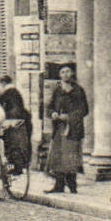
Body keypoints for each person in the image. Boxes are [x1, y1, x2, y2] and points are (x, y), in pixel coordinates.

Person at [44, 65, 88, 194]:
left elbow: (84, 110)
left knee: (70, 157)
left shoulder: (78, 90)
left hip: (73, 128)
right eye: (62, 72)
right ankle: (59, 185)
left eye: (68, 71)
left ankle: (72, 185)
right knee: (58, 156)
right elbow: (50, 107)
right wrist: (53, 114)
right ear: (59, 75)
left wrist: (69, 117)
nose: (65, 74)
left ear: (72, 73)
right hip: (59, 128)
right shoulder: (57, 90)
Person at [0, 75, 32, 176]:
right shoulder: (16, 92)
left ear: (3, 83)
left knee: (11, 145)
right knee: (17, 145)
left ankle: (14, 168)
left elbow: (1, 108)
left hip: (11, 122)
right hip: (20, 122)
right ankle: (17, 167)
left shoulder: (6, 93)